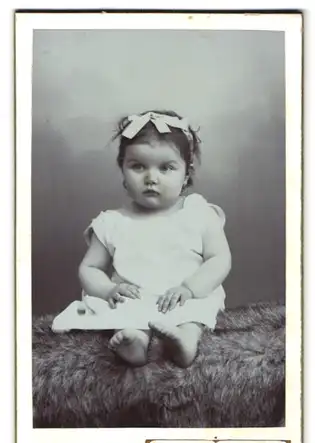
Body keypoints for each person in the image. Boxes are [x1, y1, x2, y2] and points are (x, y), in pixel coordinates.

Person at [52, 110, 232, 368]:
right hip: (136, 299)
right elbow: (90, 267)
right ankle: (135, 341)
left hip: (184, 295)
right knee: (124, 313)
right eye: (138, 166)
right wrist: (108, 290)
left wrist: (190, 288)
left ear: (186, 174)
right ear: (123, 171)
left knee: (196, 312)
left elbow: (219, 258)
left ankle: (186, 341)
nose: (151, 178)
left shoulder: (199, 213)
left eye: (166, 168)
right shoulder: (111, 222)